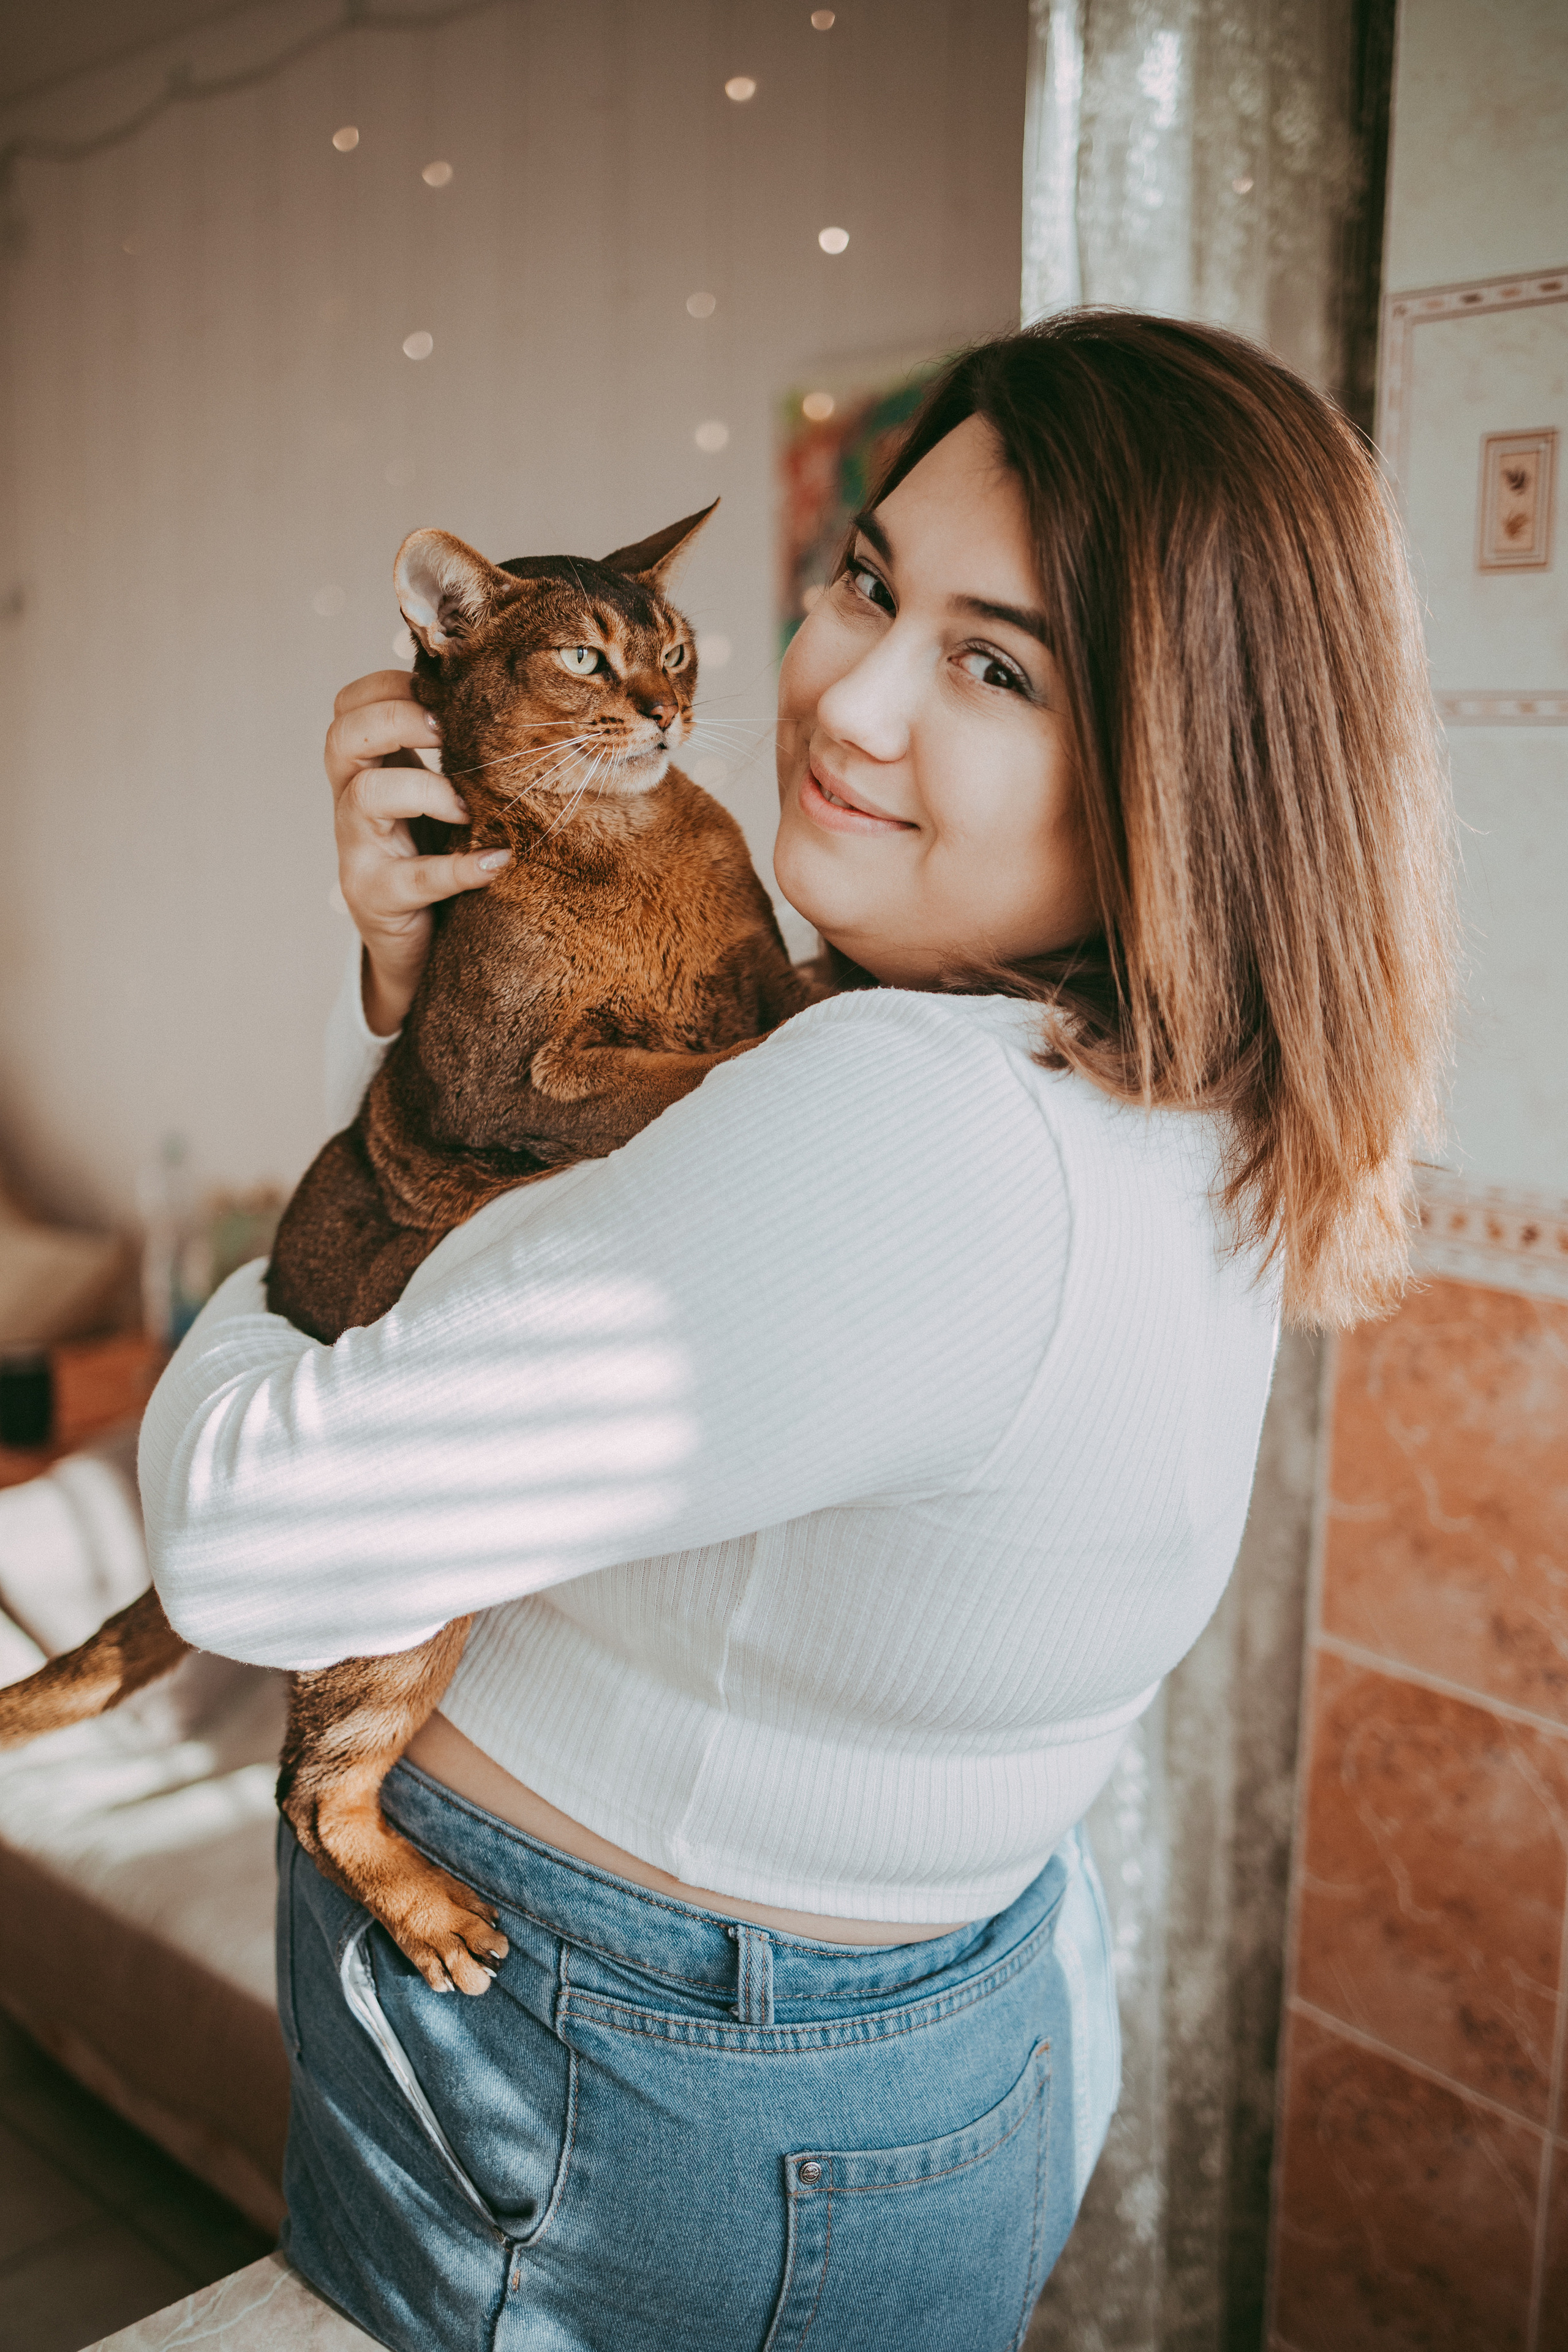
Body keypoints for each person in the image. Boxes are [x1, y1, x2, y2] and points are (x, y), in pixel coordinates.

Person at [138, 312, 1452, 2351]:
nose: (850, 692)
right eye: (870, 581)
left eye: (996, 664)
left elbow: (251, 1539)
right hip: (917, 2033)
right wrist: (409, 955)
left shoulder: (905, 1118)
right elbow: (525, 1199)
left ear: (1186, 763)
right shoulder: (1135, 1086)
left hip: (613, 2068)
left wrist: (248, 1290)